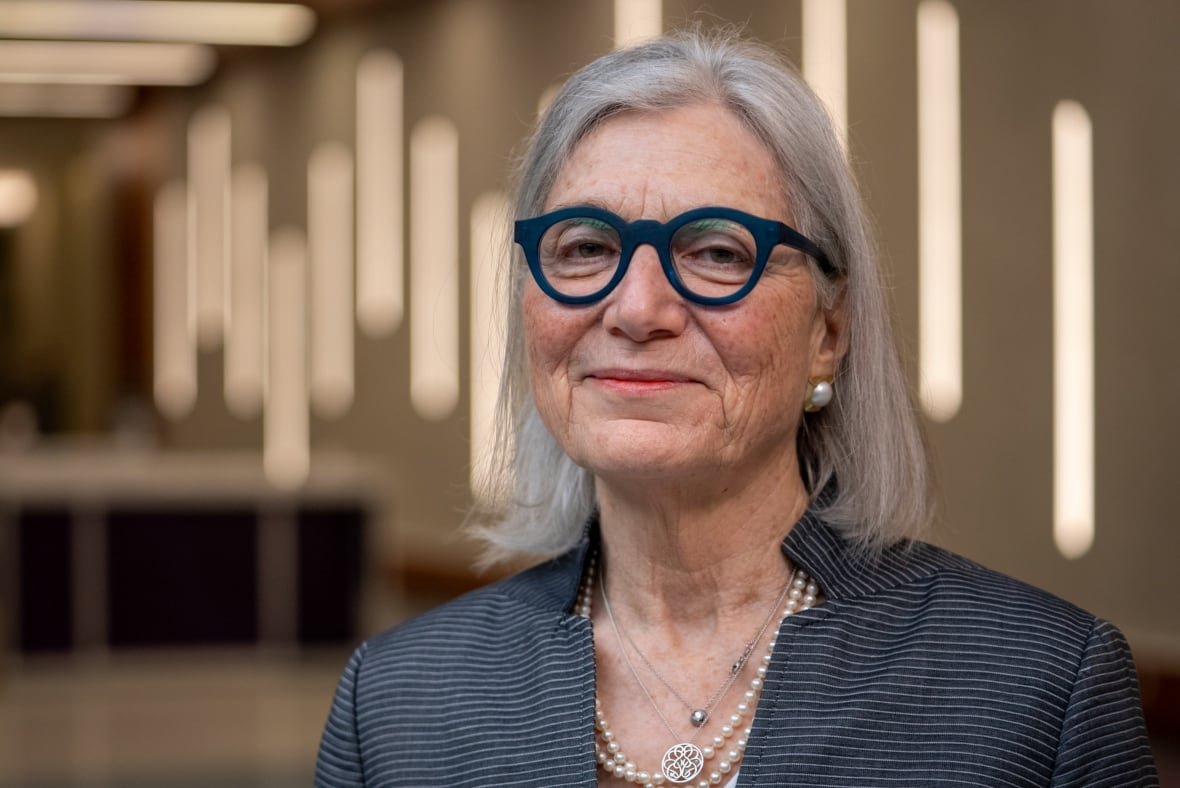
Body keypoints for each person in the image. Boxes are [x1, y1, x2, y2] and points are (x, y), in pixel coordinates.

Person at [316, 31, 1158, 787]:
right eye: (586, 248)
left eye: (716, 251)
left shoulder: (1037, 693)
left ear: (828, 333)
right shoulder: (394, 706)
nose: (637, 308)